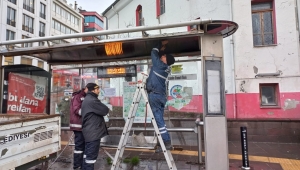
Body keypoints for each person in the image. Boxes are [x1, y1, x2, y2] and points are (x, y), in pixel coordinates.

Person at [146, 40, 175, 153]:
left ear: (166, 60)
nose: (162, 56)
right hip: (160, 96)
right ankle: (162, 143)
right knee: (159, 120)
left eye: (164, 56)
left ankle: (166, 142)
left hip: (155, 96)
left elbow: (153, 52)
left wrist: (160, 44)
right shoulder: (164, 68)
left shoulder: (160, 65)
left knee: (158, 120)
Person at [81, 83, 109, 170]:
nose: (99, 91)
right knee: (90, 159)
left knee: (87, 157)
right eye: (97, 89)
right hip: (93, 133)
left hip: (89, 132)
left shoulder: (88, 99)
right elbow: (105, 110)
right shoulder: (92, 100)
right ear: (93, 90)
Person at [69, 85, 88, 170]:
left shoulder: (84, 96)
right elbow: (77, 110)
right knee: (79, 147)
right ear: (86, 89)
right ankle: (77, 166)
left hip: (82, 125)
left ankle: (80, 165)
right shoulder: (78, 96)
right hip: (78, 125)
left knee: (82, 146)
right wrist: (89, 112)